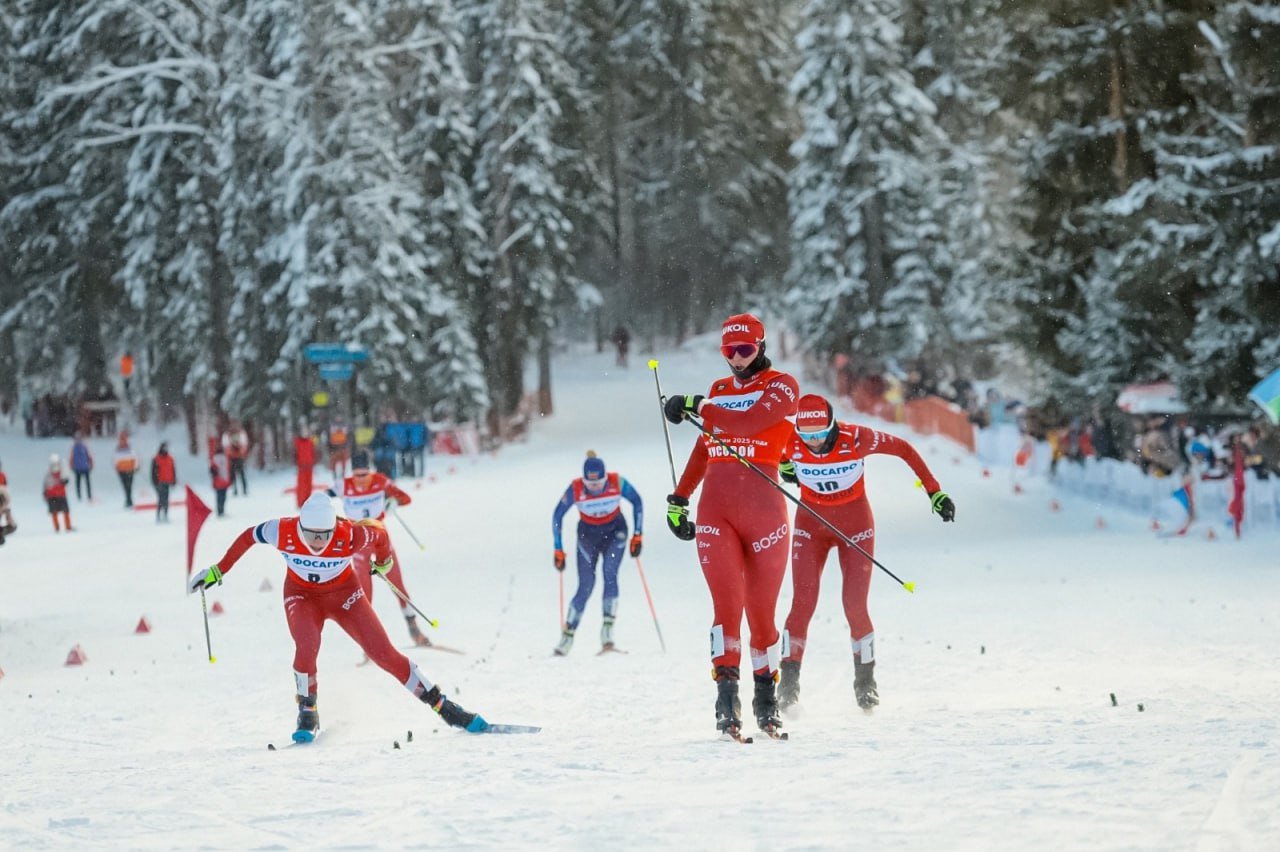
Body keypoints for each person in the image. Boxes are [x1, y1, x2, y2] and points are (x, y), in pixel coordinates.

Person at [188, 493, 484, 741]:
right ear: (300, 525)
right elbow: (248, 537)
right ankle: (307, 710)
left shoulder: (350, 535)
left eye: (324, 535)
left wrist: (383, 563)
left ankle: (443, 706)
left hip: (345, 596)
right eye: (311, 534)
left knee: (383, 654)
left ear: (333, 529)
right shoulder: (283, 530)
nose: (317, 542)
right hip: (302, 597)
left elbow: (380, 537)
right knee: (307, 645)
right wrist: (218, 570)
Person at [662, 312, 799, 738]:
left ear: (761, 346)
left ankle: (766, 700)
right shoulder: (719, 390)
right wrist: (680, 498)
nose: (737, 359)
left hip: (766, 514)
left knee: (761, 615)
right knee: (726, 607)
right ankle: (726, 702)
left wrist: (698, 408)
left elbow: (748, 423)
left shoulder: (782, 386)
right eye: (729, 351)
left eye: (746, 350)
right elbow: (708, 446)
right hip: (716, 511)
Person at [776, 393, 955, 714]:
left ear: (831, 426)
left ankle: (865, 682)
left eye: (819, 434)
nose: (814, 442)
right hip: (810, 527)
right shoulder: (789, 437)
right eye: (806, 436)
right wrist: (783, 462)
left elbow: (903, 448)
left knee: (854, 606)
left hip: (855, 527)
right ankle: (787, 686)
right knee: (802, 604)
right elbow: (756, 444)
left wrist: (934, 491)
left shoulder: (856, 438)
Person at [326, 450, 428, 647]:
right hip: (357, 543)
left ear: (371, 472)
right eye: (358, 476)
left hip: (380, 538)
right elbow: (319, 498)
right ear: (352, 473)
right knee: (364, 593)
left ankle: (414, 629)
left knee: (397, 585)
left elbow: (406, 498)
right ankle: (368, 641)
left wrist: (393, 502)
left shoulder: (380, 481)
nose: (362, 480)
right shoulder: (343, 485)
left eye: (365, 475)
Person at [550, 451, 644, 655]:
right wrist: (558, 548)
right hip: (588, 536)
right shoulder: (575, 488)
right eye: (589, 484)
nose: (594, 488)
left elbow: (637, 501)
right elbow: (557, 515)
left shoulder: (617, 482)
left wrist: (638, 535)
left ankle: (607, 633)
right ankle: (567, 637)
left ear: (605, 477)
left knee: (610, 574)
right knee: (585, 585)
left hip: (615, 533)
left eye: (598, 483)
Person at [43, 455, 73, 532]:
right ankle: (63, 527)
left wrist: (45, 493)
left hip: (56, 494)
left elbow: (46, 484)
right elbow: (47, 484)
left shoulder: (59, 471)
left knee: (59, 512)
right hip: (57, 494)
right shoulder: (57, 471)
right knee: (60, 512)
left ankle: (63, 527)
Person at [222, 420, 250, 495]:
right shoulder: (237, 433)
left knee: (237, 474)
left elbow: (225, 446)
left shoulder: (229, 434)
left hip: (234, 457)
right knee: (238, 474)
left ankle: (239, 489)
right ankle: (239, 489)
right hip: (236, 457)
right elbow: (244, 445)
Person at [151, 442, 177, 523]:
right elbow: (153, 472)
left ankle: (165, 515)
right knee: (161, 499)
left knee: (166, 499)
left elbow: (173, 470)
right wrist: (155, 481)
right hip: (160, 482)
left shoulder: (170, 458)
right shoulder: (156, 459)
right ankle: (159, 515)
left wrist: (174, 480)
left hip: (168, 481)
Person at [294, 425, 317, 508]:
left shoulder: (310, 442)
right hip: (301, 467)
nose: (305, 433)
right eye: (303, 432)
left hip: (309, 466)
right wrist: (297, 463)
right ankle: (300, 502)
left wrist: (313, 462)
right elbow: (294, 454)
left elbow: (313, 453)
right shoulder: (297, 442)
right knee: (301, 486)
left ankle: (308, 501)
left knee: (309, 485)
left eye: (306, 432)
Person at [114, 433, 139, 508]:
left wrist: (136, 466)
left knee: (129, 486)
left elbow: (135, 458)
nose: (123, 441)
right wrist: (117, 467)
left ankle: (129, 500)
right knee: (125, 486)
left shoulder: (130, 449)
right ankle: (128, 500)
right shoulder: (118, 449)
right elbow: (115, 459)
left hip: (130, 470)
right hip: (121, 470)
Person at [69, 432, 94, 502]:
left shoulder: (84, 446)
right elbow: (72, 458)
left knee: (87, 483)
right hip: (78, 468)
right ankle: (79, 497)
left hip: (85, 467)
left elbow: (89, 456)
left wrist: (91, 464)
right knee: (78, 483)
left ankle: (89, 496)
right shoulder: (74, 448)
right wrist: (71, 465)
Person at [209, 445, 232, 517]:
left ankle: (219, 511)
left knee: (219, 497)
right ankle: (221, 510)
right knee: (223, 497)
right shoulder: (225, 458)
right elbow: (229, 469)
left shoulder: (214, 459)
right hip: (224, 480)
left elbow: (212, 470)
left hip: (218, 481)